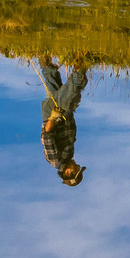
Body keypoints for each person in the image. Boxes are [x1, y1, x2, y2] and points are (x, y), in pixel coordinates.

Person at [38, 56, 88, 186]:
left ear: (67, 173)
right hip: (66, 113)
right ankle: (43, 54)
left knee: (75, 87)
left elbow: (46, 137)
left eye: (76, 170)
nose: (77, 166)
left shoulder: (55, 160)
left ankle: (84, 61)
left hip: (54, 112)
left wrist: (53, 117)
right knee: (52, 80)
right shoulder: (69, 154)